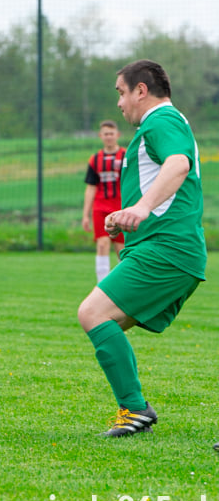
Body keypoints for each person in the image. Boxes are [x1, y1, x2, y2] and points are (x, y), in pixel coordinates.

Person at [77, 59, 205, 438]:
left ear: (141, 91)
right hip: (162, 247)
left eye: (121, 92)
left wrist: (142, 208)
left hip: (167, 250)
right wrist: (127, 215)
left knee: (93, 313)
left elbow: (178, 164)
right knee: (106, 321)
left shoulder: (161, 121)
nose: (119, 103)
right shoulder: (163, 124)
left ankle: (135, 410)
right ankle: (134, 409)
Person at [81, 120, 126, 282]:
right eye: (105, 134)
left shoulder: (126, 156)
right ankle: (102, 285)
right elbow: (91, 187)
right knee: (102, 244)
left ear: (117, 135)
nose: (108, 137)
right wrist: (85, 215)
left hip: (121, 207)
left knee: (121, 248)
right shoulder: (95, 160)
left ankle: (126, 284)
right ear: (100, 136)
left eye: (111, 134)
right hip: (100, 207)